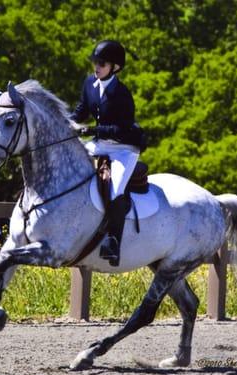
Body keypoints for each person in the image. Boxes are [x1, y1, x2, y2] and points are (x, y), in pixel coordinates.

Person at [71, 39, 146, 266]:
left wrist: (92, 129)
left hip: (124, 148)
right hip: (100, 143)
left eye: (101, 63)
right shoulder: (89, 83)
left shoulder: (122, 94)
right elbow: (81, 110)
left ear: (115, 67)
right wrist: (66, 123)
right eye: (95, 62)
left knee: (115, 190)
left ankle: (113, 242)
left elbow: (122, 129)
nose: (96, 67)